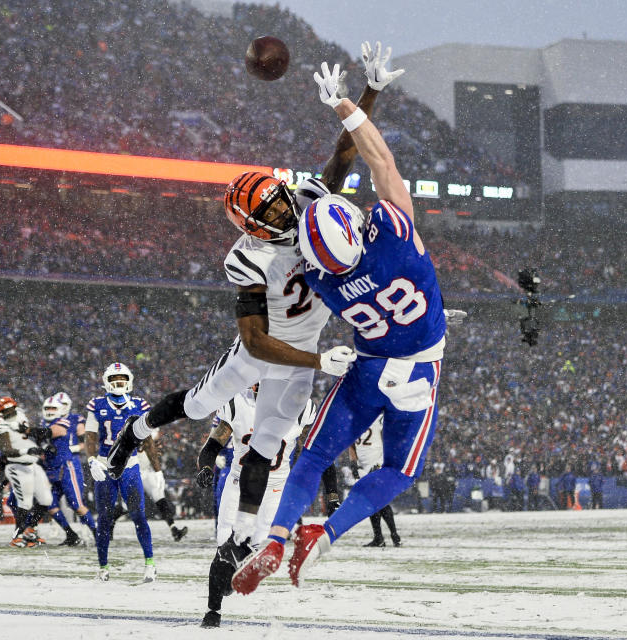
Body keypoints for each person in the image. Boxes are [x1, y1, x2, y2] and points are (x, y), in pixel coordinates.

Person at [105, 57, 394, 573]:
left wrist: (366, 94)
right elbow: (258, 343)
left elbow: (345, 153)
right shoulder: (248, 258)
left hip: (306, 355)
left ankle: (240, 537)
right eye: (272, 214)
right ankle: (138, 426)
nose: (286, 213)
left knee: (268, 443)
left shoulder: (308, 202)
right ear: (251, 227)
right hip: (265, 354)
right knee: (197, 406)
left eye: (283, 203)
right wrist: (316, 360)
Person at [232, 42, 447, 594]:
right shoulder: (394, 236)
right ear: (355, 226)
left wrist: (359, 98)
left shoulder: (320, 276)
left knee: (315, 455)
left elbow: (311, 236)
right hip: (418, 364)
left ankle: (278, 534)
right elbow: (378, 161)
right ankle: (324, 537)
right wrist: (351, 103)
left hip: (367, 365)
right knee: (399, 471)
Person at [195, 384, 316, 627]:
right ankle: (213, 610)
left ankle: (230, 577)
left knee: (258, 549)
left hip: (275, 488)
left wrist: (326, 489)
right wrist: (207, 467)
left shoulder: (300, 406)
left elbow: (313, 452)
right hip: (240, 483)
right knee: (224, 548)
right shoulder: (238, 402)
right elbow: (211, 446)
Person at [85, 363, 156, 582]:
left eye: (123, 378)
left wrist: (158, 470)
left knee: (138, 515)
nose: (119, 382)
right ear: (106, 381)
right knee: (104, 519)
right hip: (104, 466)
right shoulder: (96, 404)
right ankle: (103, 566)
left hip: (129, 466)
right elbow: (90, 436)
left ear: (130, 380)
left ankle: (150, 564)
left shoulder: (139, 404)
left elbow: (148, 440)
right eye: (114, 378)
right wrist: (91, 460)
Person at [0, 396, 53, 547]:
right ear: (1, 412)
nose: (9, 412)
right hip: (17, 466)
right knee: (25, 503)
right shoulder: (0, 427)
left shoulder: (21, 416)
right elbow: (7, 451)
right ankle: (17, 536)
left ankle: (29, 530)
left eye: (10, 408)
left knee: (46, 499)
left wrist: (39, 440)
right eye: (5, 410)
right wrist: (27, 449)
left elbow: (30, 435)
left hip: (33, 464)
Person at [40, 392, 97, 545]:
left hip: (70, 462)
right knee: (49, 503)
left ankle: (96, 532)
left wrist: (70, 449)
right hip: (52, 466)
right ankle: (70, 534)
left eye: (63, 405)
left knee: (76, 503)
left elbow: (85, 442)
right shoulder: (46, 421)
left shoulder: (75, 419)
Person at [349, 414, 401, 548]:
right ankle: (382, 537)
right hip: (364, 466)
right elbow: (351, 445)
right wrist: (353, 462)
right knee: (372, 501)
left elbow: (388, 437)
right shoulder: (354, 420)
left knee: (379, 500)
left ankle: (390, 536)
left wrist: (384, 461)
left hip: (377, 462)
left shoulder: (377, 416)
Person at [137, 430, 189, 542]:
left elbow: (155, 444)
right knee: (127, 505)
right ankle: (110, 524)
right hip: (132, 471)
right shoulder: (136, 426)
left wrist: (157, 470)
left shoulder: (145, 426)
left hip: (146, 470)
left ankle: (174, 529)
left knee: (160, 498)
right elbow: (152, 443)